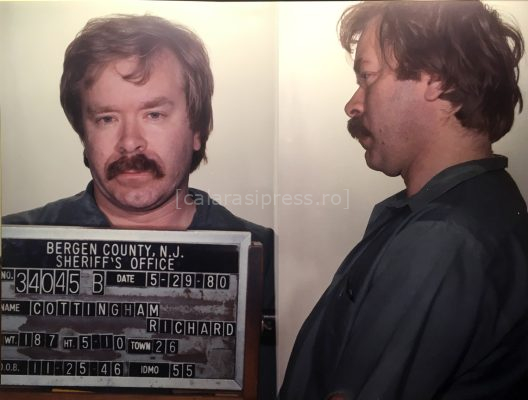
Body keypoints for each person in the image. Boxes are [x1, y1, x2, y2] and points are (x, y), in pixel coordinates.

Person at [2, 14, 275, 399]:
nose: (130, 142)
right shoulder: (11, 248)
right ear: (84, 134)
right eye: (107, 118)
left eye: (154, 114)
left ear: (197, 130)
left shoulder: (265, 258)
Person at [280, 1, 528, 399]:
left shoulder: (443, 238)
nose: (353, 103)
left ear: (437, 80)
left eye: (367, 76)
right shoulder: (477, 210)